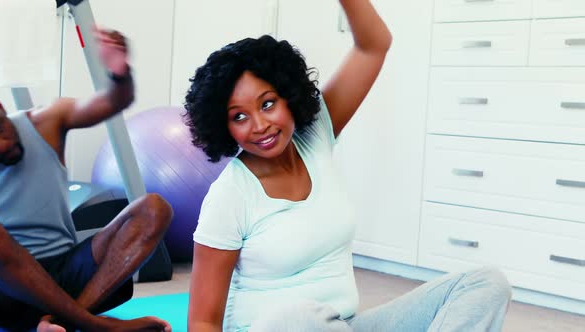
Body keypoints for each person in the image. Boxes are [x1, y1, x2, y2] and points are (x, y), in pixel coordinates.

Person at [184, 1, 512, 331]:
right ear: (223, 127)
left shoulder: (315, 136)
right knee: (298, 318)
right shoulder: (229, 196)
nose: (259, 125)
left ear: (288, 96)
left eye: (267, 104)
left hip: (343, 325)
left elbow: (373, 46)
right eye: (238, 117)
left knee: (484, 284)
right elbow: (201, 321)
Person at [0, 29, 172, 332]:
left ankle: (65, 322)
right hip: (6, 291)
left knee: (154, 208)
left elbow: (110, 102)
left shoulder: (46, 122)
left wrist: (119, 74)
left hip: (69, 273)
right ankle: (100, 327)